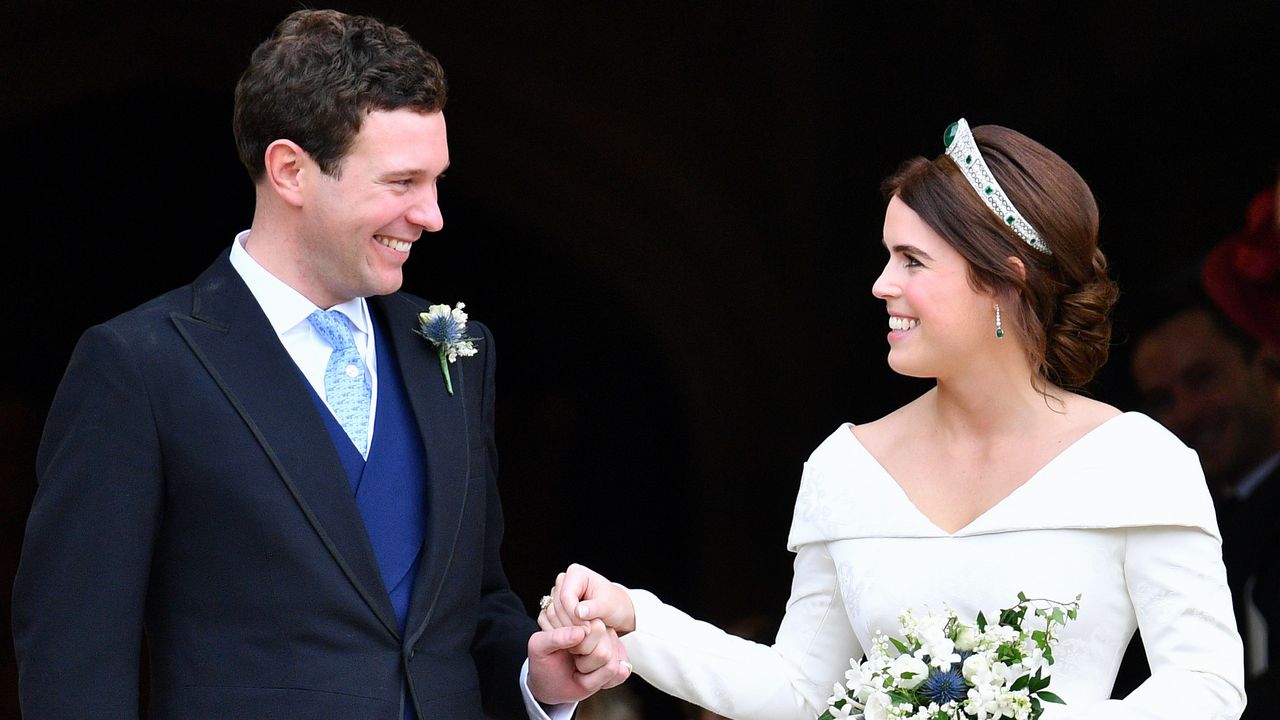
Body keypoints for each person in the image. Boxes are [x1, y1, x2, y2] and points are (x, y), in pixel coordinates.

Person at [11, 9, 627, 719]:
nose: (432, 216)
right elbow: (76, 656)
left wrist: (537, 677)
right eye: (401, 183)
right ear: (291, 171)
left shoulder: (457, 351)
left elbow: (472, 610)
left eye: (437, 182)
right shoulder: (140, 367)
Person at [540, 119, 1247, 719]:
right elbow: (799, 688)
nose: (882, 285)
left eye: (912, 260)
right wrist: (634, 618)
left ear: (1004, 278)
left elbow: (1208, 685)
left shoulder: (1137, 462)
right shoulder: (845, 467)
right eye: (887, 257)